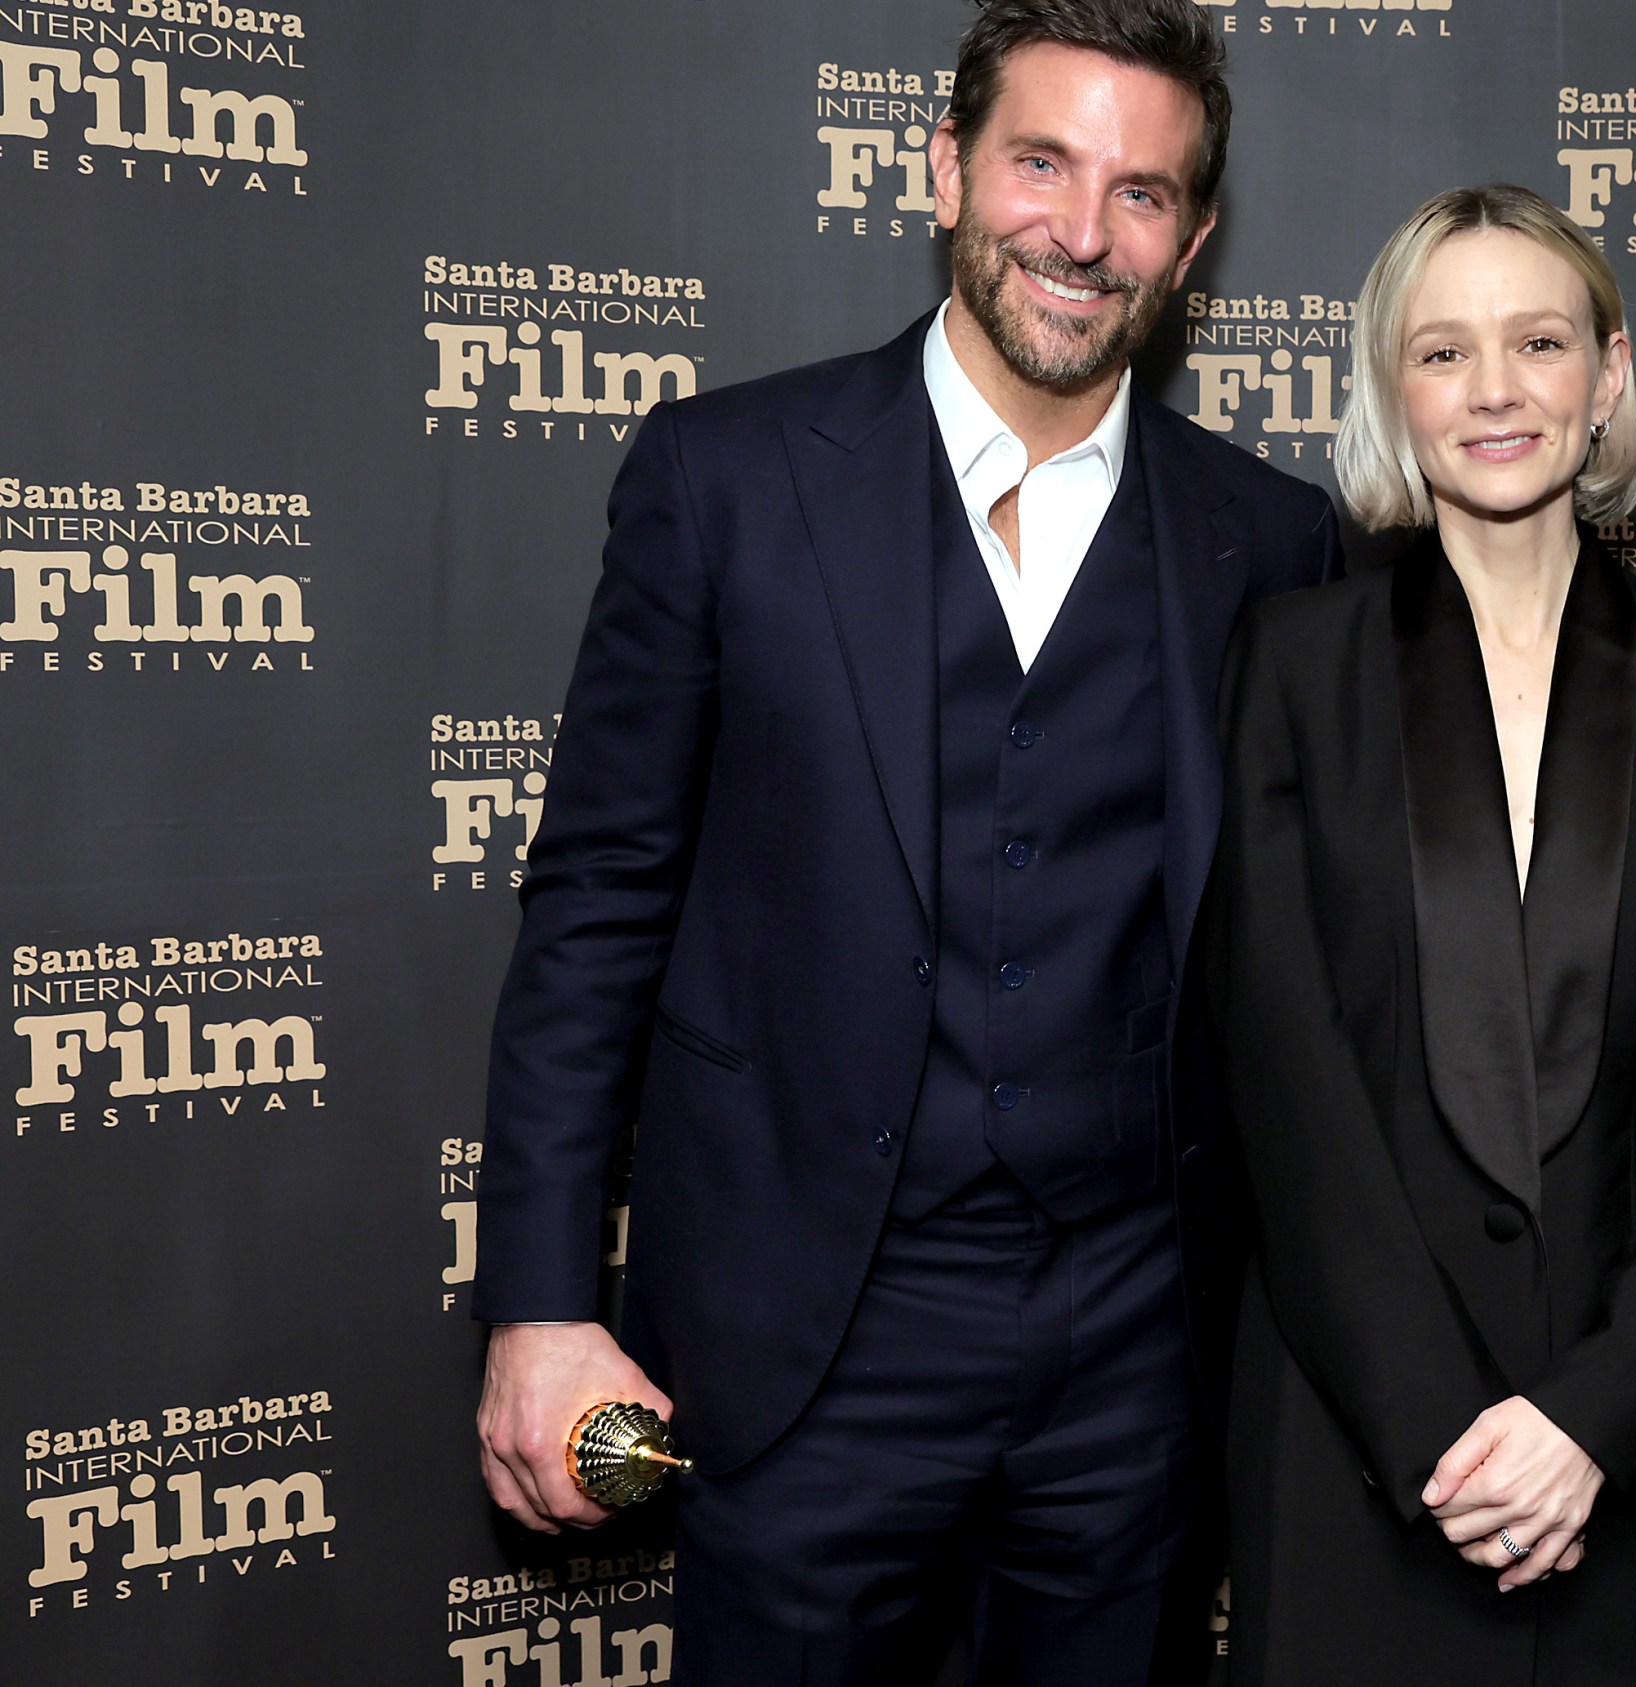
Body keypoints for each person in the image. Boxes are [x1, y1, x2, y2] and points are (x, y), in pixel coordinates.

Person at [467, 1, 1340, 1679]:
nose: (1084, 235)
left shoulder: (1273, 540)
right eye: (1041, 162)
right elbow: (596, 905)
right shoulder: (725, 476)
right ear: (943, 168)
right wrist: (540, 1298)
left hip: (1133, 1359)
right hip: (805, 1343)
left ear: (1196, 240)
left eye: (1143, 192)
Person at [1196, 184, 1636, 1686]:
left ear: (1611, 374)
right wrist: (1448, 1443)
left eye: (1538, 341)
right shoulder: (1289, 661)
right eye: (1444, 351)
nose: (1498, 390)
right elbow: (1285, 1077)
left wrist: (1595, 1417)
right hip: (1358, 1451)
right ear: (1394, 390)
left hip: (1628, 1468)